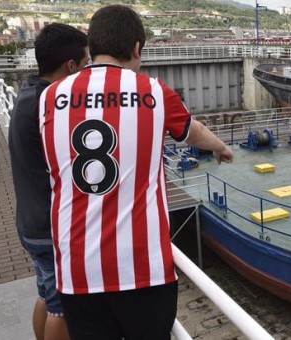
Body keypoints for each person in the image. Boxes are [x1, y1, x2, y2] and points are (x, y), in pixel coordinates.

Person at [38, 5, 233, 340]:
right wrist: (220, 147)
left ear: (92, 48)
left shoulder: (50, 96)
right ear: (136, 49)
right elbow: (193, 131)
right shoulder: (155, 92)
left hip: (78, 271)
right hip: (143, 272)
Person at [9, 23, 88, 340]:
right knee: (61, 309)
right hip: (48, 226)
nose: (86, 73)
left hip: (29, 220)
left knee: (46, 294)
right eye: (84, 66)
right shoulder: (49, 105)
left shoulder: (29, 94)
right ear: (70, 66)